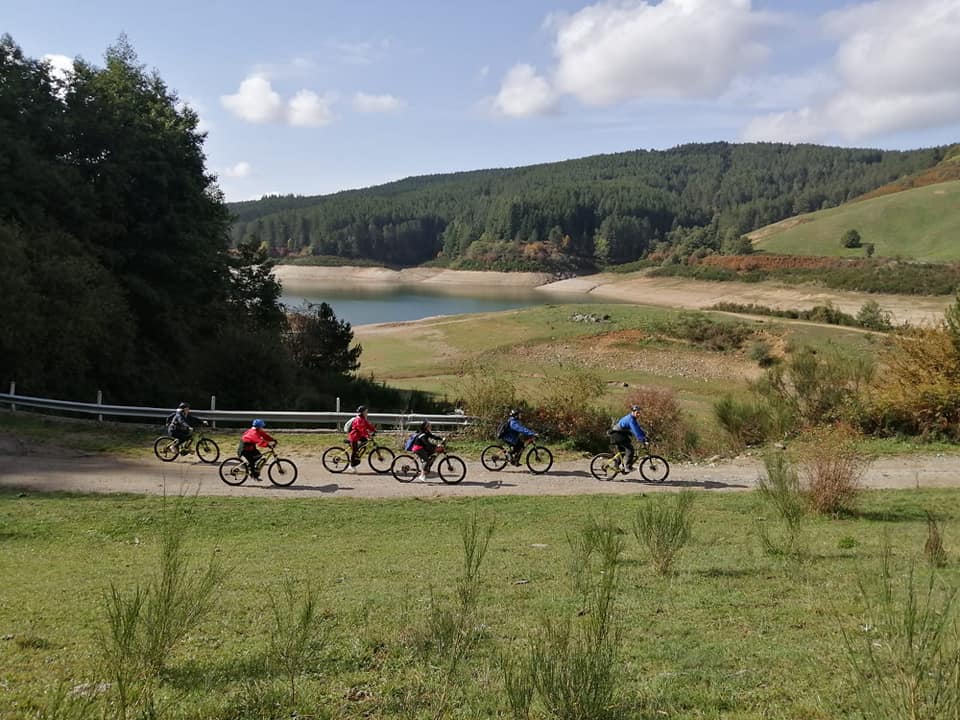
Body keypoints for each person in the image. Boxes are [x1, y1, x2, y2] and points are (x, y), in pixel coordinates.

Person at [608, 404, 648, 473]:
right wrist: (642, 439)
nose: (638, 414)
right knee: (630, 449)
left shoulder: (633, 419)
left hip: (619, 434)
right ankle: (628, 467)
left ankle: (616, 466)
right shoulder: (631, 420)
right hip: (617, 434)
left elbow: (638, 429)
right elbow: (635, 431)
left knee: (622, 452)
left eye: (639, 413)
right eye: (637, 413)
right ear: (633, 412)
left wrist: (644, 436)